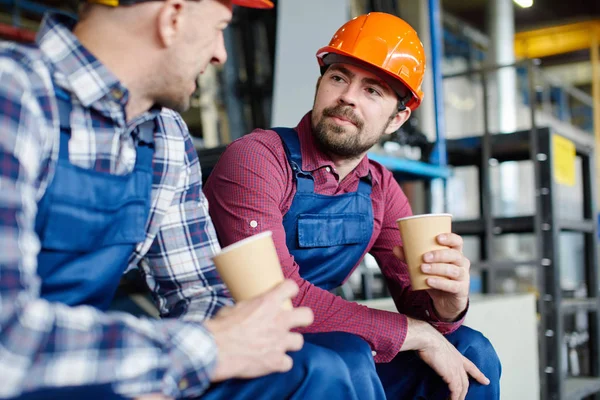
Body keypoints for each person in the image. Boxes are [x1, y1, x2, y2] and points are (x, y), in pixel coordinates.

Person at [0, 0, 361, 399]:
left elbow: (198, 290)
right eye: (219, 26)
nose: (220, 53)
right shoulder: (14, 95)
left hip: (104, 364)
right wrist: (199, 351)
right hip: (22, 375)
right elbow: (7, 337)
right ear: (172, 17)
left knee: (317, 372)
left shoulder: (165, 136)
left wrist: (184, 367)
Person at [204, 12, 502, 400]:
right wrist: (414, 333)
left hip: (322, 343)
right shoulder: (256, 159)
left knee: (471, 350)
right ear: (321, 82)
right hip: (239, 345)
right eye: (339, 77)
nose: (347, 96)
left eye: (373, 90)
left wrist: (445, 306)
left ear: (398, 119)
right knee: (349, 356)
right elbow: (274, 298)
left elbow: (426, 314)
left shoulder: (380, 187)